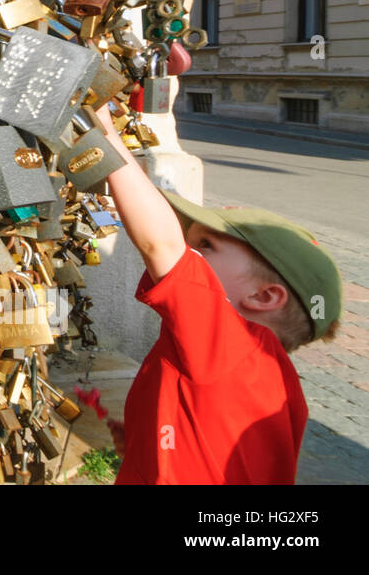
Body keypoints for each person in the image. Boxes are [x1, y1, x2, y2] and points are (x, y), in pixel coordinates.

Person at [92, 105, 342, 484]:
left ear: (263, 297)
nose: (190, 253)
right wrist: (144, 442)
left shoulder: (236, 347)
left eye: (206, 245)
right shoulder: (273, 380)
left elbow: (160, 244)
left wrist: (105, 133)